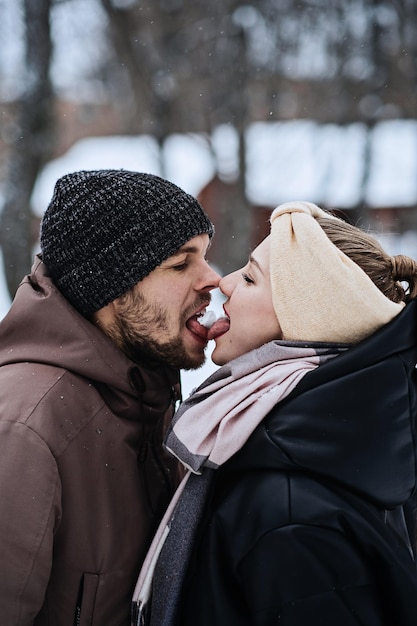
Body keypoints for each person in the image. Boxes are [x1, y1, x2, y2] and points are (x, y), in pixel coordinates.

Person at [132, 201, 417, 626]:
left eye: (250, 278)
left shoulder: (290, 516)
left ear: (302, 321)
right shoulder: (318, 453)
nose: (224, 283)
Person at [0, 169, 221, 625]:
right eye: (181, 264)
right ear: (112, 289)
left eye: (204, 257)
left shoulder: (145, 392)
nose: (212, 279)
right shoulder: (24, 428)